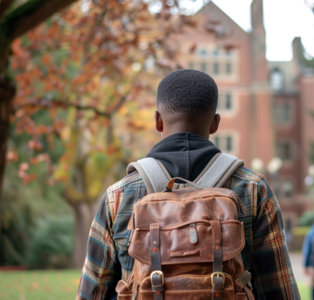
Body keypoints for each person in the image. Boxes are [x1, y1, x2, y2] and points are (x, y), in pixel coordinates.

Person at [76, 69, 300, 299]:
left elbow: (91, 292)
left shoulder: (119, 195)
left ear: (158, 121)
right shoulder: (253, 189)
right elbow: (279, 290)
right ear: (215, 124)